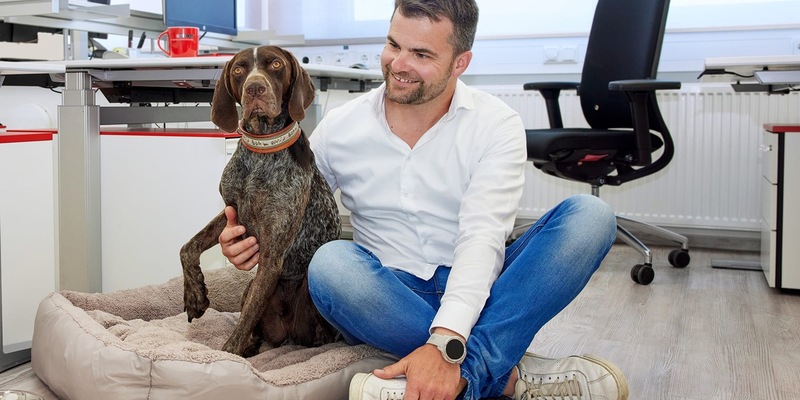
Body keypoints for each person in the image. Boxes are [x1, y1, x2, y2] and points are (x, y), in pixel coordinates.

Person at [219, 0, 627, 399]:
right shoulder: (340, 127)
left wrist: (448, 336)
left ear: (460, 62)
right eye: (394, 45)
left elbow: (482, 239)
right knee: (330, 266)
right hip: (385, 292)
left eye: (421, 54)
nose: (399, 64)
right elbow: (288, 207)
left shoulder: (496, 123)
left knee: (589, 216)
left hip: (480, 285)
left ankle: (464, 375)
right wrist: (238, 241)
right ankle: (504, 373)